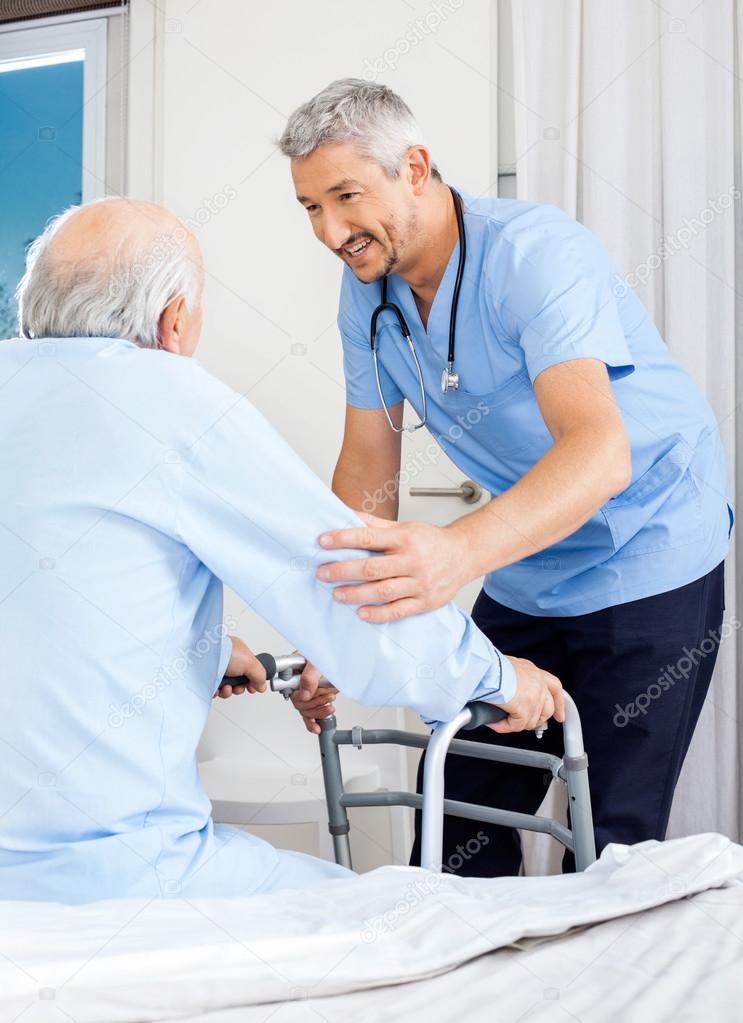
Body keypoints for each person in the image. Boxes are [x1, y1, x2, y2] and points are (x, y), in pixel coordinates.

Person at [0, 197, 560, 903]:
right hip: (113, 876)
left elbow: (44, 604)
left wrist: (201, 650)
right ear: (175, 320)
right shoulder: (170, 402)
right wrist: (498, 678)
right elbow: (351, 585)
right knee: (400, 910)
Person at [278, 79, 734, 875]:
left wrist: (453, 555)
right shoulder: (369, 295)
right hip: (532, 560)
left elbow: (598, 451)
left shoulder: (533, 254)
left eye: (345, 196)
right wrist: (330, 616)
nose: (329, 232)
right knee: (458, 813)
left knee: (610, 840)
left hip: (650, 540)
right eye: (310, 208)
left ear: (414, 167)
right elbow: (366, 467)